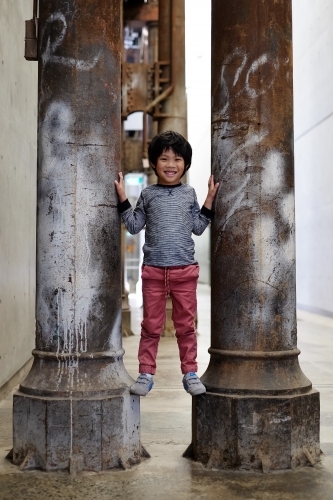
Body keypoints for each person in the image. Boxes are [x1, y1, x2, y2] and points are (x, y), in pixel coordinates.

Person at [115, 131, 219, 396]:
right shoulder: (148, 195)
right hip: (153, 273)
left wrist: (208, 199)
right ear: (153, 163)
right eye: (164, 159)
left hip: (184, 271)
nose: (171, 165)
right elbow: (134, 225)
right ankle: (146, 373)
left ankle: (191, 373)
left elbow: (197, 227)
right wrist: (123, 198)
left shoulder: (189, 194)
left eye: (177, 159)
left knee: (186, 327)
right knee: (151, 327)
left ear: (186, 164)